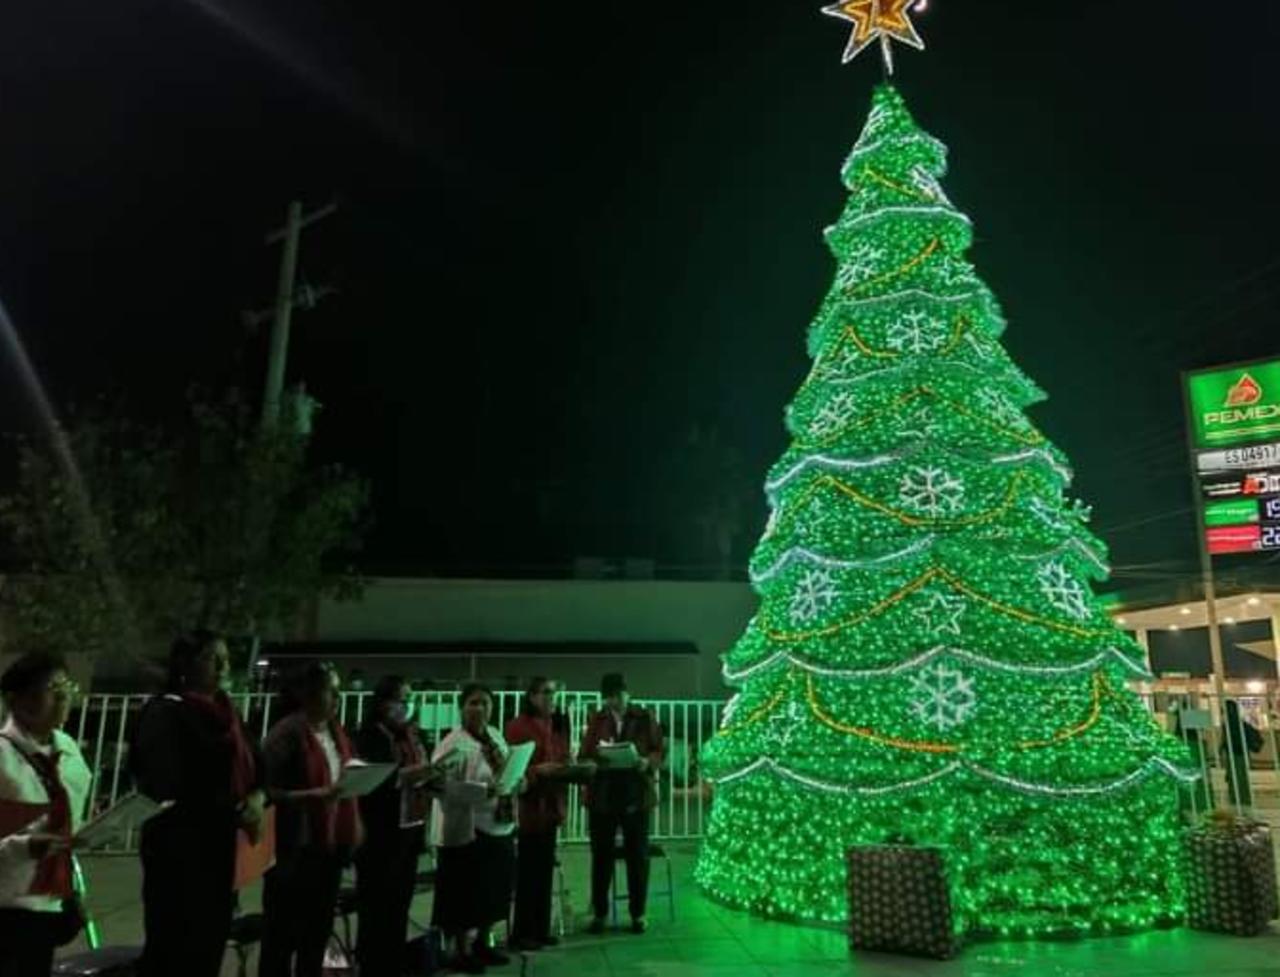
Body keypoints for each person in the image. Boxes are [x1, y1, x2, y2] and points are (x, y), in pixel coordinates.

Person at [132, 631, 266, 977]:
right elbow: (166, 782)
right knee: (175, 948)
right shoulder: (166, 711)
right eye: (211, 657)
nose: (223, 666)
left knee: (209, 944)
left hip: (219, 849)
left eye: (225, 657)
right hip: (178, 850)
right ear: (185, 664)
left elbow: (260, 768)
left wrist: (255, 797)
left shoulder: (229, 713)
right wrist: (235, 808)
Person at [260, 662, 363, 977]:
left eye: (338, 690)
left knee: (317, 929)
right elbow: (265, 791)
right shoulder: (286, 733)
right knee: (282, 932)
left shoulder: (336, 732)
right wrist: (312, 796)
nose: (337, 697)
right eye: (330, 691)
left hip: (328, 844)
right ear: (308, 694)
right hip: (293, 847)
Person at [0, 652, 91, 977]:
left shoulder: (67, 748)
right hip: (10, 907)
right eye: (53, 688)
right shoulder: (2, 757)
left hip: (52, 901)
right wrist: (25, 846)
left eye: (68, 686)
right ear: (17, 700)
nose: (64, 696)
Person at [355, 675, 442, 977]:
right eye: (400, 700)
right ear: (382, 704)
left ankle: (392, 959)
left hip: (409, 827)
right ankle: (372, 963)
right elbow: (371, 780)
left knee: (399, 901)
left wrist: (430, 775)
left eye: (410, 699)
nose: (407, 706)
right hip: (379, 831)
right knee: (376, 903)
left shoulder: (411, 735)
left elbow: (417, 771)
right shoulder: (370, 736)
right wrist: (407, 775)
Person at [430, 683, 519, 973]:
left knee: (494, 889)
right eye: (473, 703)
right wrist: (483, 790)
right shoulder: (452, 743)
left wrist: (517, 779)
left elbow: (506, 768)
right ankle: (462, 949)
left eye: (485, 703)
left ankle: (484, 941)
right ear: (462, 708)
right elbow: (441, 785)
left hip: (500, 823)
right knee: (466, 892)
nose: (480, 708)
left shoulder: (495, 735)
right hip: (469, 828)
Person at [579, 673, 664, 935]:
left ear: (627, 693)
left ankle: (638, 913)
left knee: (637, 856)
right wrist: (592, 761)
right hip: (603, 796)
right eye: (610, 697)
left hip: (635, 795)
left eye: (619, 695)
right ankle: (601, 913)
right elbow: (585, 753)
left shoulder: (643, 717)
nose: (615, 701)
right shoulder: (598, 719)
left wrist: (647, 762)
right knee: (601, 856)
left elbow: (658, 749)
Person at [504, 677, 572, 951]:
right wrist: (538, 772)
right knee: (528, 874)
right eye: (545, 693)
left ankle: (541, 928)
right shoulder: (518, 726)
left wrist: (568, 765)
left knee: (544, 872)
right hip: (529, 808)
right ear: (531, 696)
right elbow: (516, 765)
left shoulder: (555, 724)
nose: (551, 699)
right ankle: (522, 932)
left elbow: (562, 755)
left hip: (551, 808)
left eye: (554, 693)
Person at [1222, 698, 1262, 810]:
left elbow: (1226, 739)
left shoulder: (1231, 723)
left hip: (1235, 752)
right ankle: (1242, 798)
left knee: (1236, 776)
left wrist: (1223, 749)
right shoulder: (1239, 723)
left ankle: (1237, 799)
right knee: (1240, 776)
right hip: (1240, 752)